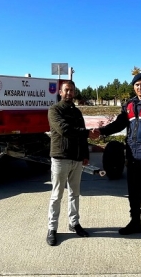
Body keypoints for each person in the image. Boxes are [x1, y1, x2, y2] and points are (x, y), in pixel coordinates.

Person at [92, 73, 141, 249]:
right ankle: (135, 223)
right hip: (133, 157)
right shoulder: (130, 105)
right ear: (133, 87)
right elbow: (118, 125)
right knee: (134, 193)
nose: (139, 87)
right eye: (136, 85)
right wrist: (101, 131)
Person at [46, 80, 97, 246]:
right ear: (60, 92)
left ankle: (74, 223)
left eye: (71, 91)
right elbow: (65, 130)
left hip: (76, 159)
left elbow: (81, 136)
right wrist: (88, 133)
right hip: (61, 158)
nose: (69, 93)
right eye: (66, 90)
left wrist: (85, 154)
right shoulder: (54, 110)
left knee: (75, 194)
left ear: (74, 93)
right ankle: (52, 228)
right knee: (56, 195)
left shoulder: (77, 112)